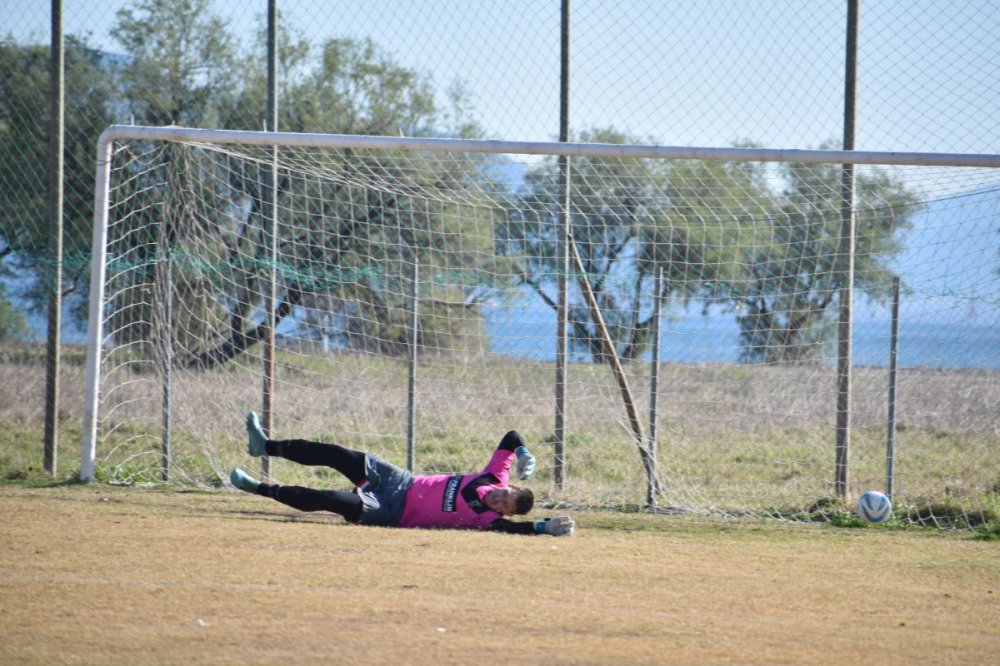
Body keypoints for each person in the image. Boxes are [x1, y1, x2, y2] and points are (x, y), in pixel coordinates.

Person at [230, 412, 575, 537]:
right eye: (506, 493)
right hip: (398, 480)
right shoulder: (493, 477)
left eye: (504, 505)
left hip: (389, 512)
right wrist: (524, 452)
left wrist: (543, 527)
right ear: (509, 484)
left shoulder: (486, 521)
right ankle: (266, 447)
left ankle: (260, 487)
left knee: (329, 500)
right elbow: (510, 437)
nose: (499, 499)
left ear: (504, 513)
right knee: (335, 454)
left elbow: (518, 530)